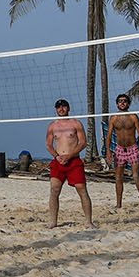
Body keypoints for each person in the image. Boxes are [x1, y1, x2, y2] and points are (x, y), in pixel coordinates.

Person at [45, 97, 93, 228]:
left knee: (81, 189)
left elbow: (83, 142)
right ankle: (53, 222)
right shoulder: (53, 126)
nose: (61, 109)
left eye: (64, 106)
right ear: (56, 110)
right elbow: (49, 145)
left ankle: (88, 221)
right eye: (59, 107)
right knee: (54, 190)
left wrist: (69, 155)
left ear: (68, 108)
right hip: (58, 161)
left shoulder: (75, 123)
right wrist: (57, 156)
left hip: (73, 160)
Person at [104, 92, 139, 209]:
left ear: (128, 103)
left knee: (135, 176)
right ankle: (118, 204)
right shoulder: (113, 118)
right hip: (120, 149)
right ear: (117, 104)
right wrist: (108, 151)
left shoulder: (133, 116)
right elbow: (108, 136)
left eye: (124, 101)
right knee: (118, 177)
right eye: (120, 101)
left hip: (132, 148)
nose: (122, 103)